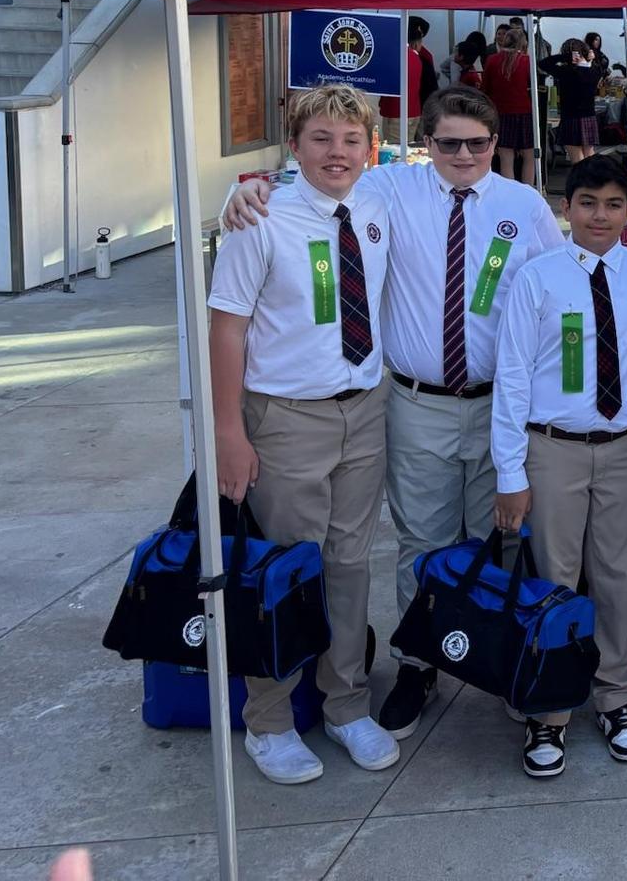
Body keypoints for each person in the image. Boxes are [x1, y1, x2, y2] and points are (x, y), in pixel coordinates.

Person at [222, 85, 565, 740]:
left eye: (477, 143)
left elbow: (556, 293)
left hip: (500, 405)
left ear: (497, 143)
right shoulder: (391, 191)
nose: (462, 154)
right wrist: (248, 188)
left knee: (507, 541)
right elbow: (319, 172)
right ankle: (417, 663)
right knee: (421, 544)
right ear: (422, 146)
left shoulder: (525, 207)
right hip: (415, 404)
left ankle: (504, 657)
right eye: (446, 143)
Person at [206, 84, 399, 784]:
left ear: (372, 148)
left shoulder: (378, 204)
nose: (337, 153)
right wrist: (229, 430)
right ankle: (270, 719)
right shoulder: (261, 218)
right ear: (294, 147)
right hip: (285, 417)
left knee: (351, 564)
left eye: (351, 140)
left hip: (363, 408)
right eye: (320, 139)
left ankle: (346, 704)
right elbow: (226, 327)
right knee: (287, 569)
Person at [491, 154, 627, 778]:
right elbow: (513, 378)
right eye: (587, 204)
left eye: (613, 204)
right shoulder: (536, 278)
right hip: (553, 449)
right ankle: (548, 710)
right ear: (566, 209)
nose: (600, 216)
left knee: (617, 576)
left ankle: (616, 698)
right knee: (554, 580)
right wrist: (511, 472)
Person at [481, 25, 536, 184]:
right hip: (524, 111)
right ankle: (528, 193)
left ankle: (509, 194)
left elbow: (485, 88)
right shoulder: (527, 61)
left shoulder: (492, 60)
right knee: (529, 157)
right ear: (522, 43)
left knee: (506, 157)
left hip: (501, 112)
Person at [540, 39, 602, 164]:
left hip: (570, 117)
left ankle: (582, 182)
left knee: (576, 158)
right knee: (589, 154)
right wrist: (591, 58)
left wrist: (564, 57)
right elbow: (600, 65)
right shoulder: (595, 71)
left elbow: (543, 63)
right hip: (589, 116)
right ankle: (592, 182)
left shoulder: (566, 72)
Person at [380, 16, 437, 144]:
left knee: (396, 152)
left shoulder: (396, 55)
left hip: (396, 111)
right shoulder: (417, 57)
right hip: (414, 110)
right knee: (409, 149)